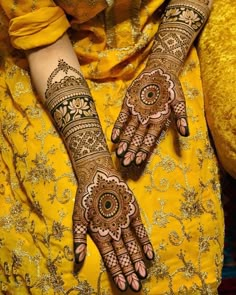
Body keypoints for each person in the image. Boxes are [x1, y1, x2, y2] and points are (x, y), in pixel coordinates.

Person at [0, 0, 224, 294]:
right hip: (49, 58)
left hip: (158, 41)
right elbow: (44, 37)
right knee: (77, 262)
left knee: (177, 241)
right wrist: (93, 163)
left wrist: (164, 64)